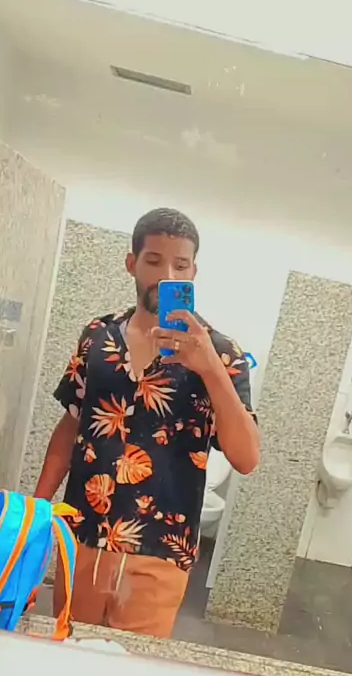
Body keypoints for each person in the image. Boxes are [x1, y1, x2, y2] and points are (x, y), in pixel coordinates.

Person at [35, 208, 260, 638]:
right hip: (81, 538)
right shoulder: (97, 336)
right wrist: (38, 511)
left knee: (134, 667)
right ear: (131, 263)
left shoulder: (221, 352)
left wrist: (210, 368)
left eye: (180, 265)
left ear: (194, 272)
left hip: (160, 552)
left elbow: (246, 458)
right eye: (154, 261)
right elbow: (71, 425)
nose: (166, 275)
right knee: (67, 654)